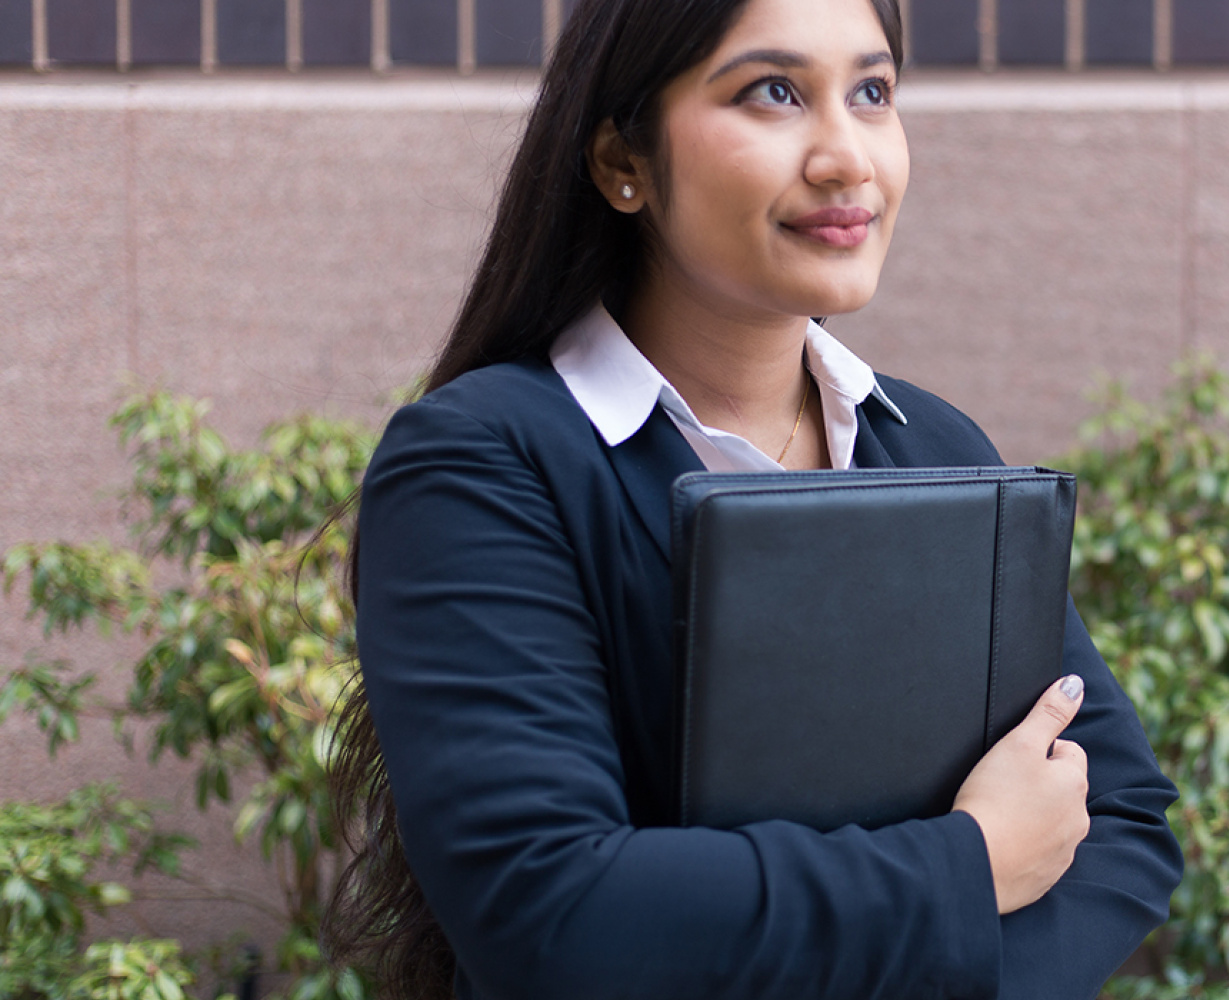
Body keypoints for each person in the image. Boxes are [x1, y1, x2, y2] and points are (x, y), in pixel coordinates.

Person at [323, 0, 1183, 997]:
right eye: (773, 93)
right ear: (620, 161)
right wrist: (970, 864)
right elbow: (552, 909)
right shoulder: (486, 466)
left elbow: (1119, 818)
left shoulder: (929, 447)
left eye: (871, 92)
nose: (846, 157)